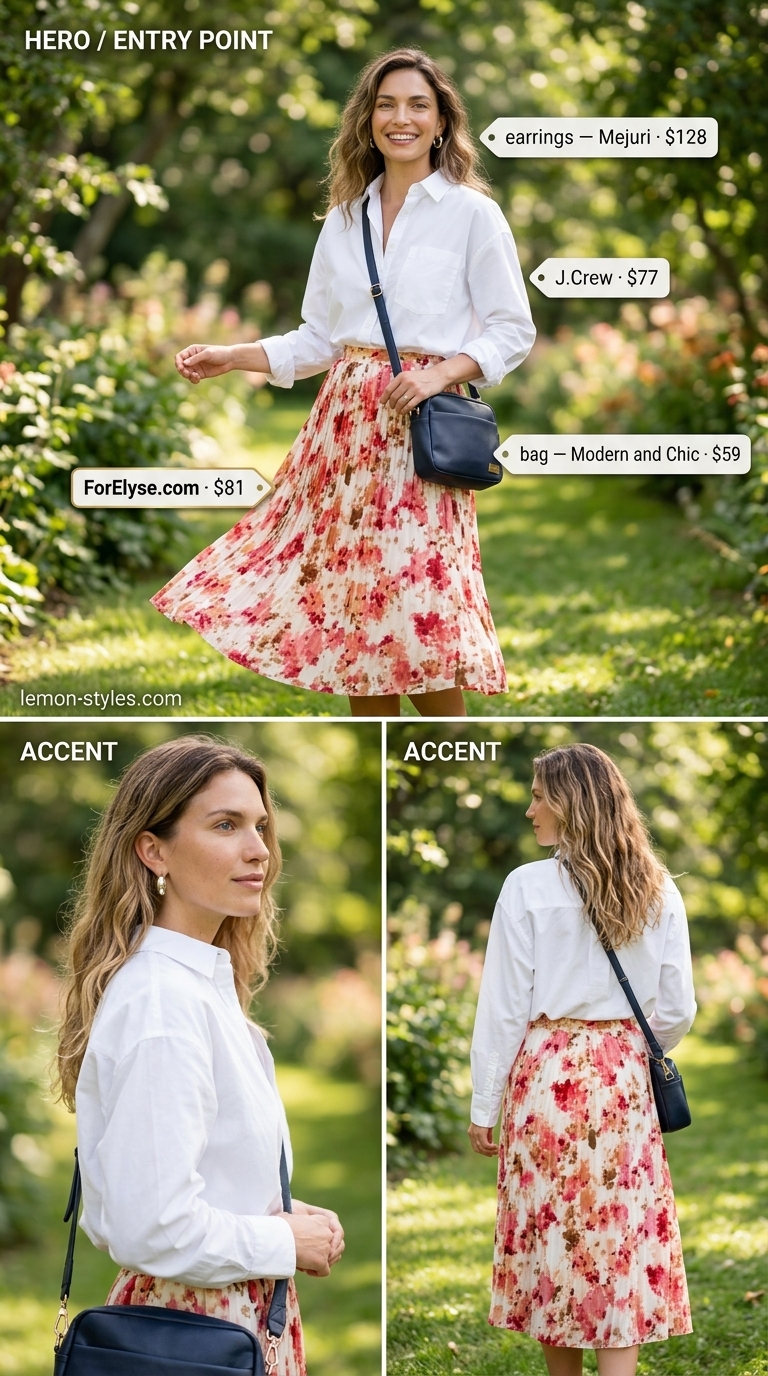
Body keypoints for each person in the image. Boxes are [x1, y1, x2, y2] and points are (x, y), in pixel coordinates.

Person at [151, 47, 535, 719]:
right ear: (368, 119)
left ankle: (450, 765)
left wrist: (438, 375)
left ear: (442, 121)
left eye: (418, 104)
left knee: (423, 615)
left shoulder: (473, 215)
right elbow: (319, 341)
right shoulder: (342, 219)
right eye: (386, 104)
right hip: (346, 440)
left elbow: (511, 328)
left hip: (422, 432)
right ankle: (387, 776)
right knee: (358, 619)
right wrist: (231, 355)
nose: (401, 118)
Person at [56, 736, 345, 1376]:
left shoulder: (197, 988)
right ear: (153, 849)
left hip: (224, 1320)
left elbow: (190, 1172)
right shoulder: (162, 1003)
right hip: (189, 1336)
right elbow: (151, 1226)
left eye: (260, 826)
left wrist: (280, 1211)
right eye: (226, 825)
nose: (259, 851)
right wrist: (282, 1240)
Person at [468, 743, 696, 1376]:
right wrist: (624, 1049)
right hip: (623, 1080)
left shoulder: (527, 886)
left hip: (545, 1076)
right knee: (618, 1240)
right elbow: (677, 1008)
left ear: (571, 803)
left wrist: (484, 1102)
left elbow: (504, 1009)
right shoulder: (657, 885)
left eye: (539, 795)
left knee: (553, 1239)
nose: (529, 809)